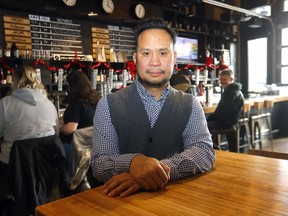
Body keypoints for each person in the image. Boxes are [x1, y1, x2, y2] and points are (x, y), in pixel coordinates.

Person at [91, 18, 215, 198]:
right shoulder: (108, 105)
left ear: (174, 58)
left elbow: (203, 151)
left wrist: (155, 172)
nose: (155, 62)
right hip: (122, 206)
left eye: (163, 53)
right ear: (135, 58)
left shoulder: (190, 104)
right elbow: (100, 164)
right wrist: (133, 162)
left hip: (177, 203)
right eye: (146, 53)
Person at [0, 65, 58, 176]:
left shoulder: (5, 103)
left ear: (15, 80)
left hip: (12, 168)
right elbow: (56, 134)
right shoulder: (49, 103)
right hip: (44, 167)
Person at [59, 69, 101, 152]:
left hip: (75, 146)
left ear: (73, 87)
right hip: (92, 146)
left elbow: (70, 129)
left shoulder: (77, 104)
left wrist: (59, 129)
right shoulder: (96, 100)